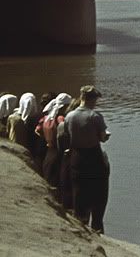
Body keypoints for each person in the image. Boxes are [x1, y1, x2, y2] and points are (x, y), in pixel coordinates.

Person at [65, 85, 110, 234]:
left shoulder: (69, 116)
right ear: (92, 99)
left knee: (79, 193)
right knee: (99, 195)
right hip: (93, 158)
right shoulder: (94, 116)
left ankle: (80, 226)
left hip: (77, 158)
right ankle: (97, 227)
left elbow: (66, 135)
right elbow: (103, 138)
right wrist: (104, 135)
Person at [38, 93, 72, 187]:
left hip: (48, 153)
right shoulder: (60, 119)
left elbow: (38, 130)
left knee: (49, 181)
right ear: (65, 106)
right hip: (58, 156)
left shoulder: (46, 118)